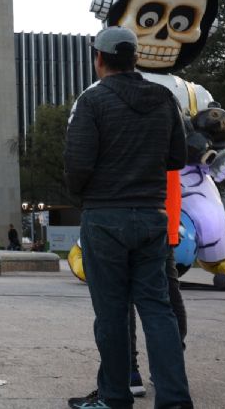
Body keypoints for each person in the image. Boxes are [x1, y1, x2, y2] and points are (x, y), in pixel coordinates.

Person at [64, 27, 191, 409]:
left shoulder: (93, 100)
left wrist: (86, 195)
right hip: (153, 215)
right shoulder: (165, 98)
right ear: (135, 57)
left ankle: (115, 397)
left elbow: (77, 164)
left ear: (99, 58)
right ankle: (174, 400)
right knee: (158, 310)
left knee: (112, 314)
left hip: (105, 217)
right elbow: (177, 158)